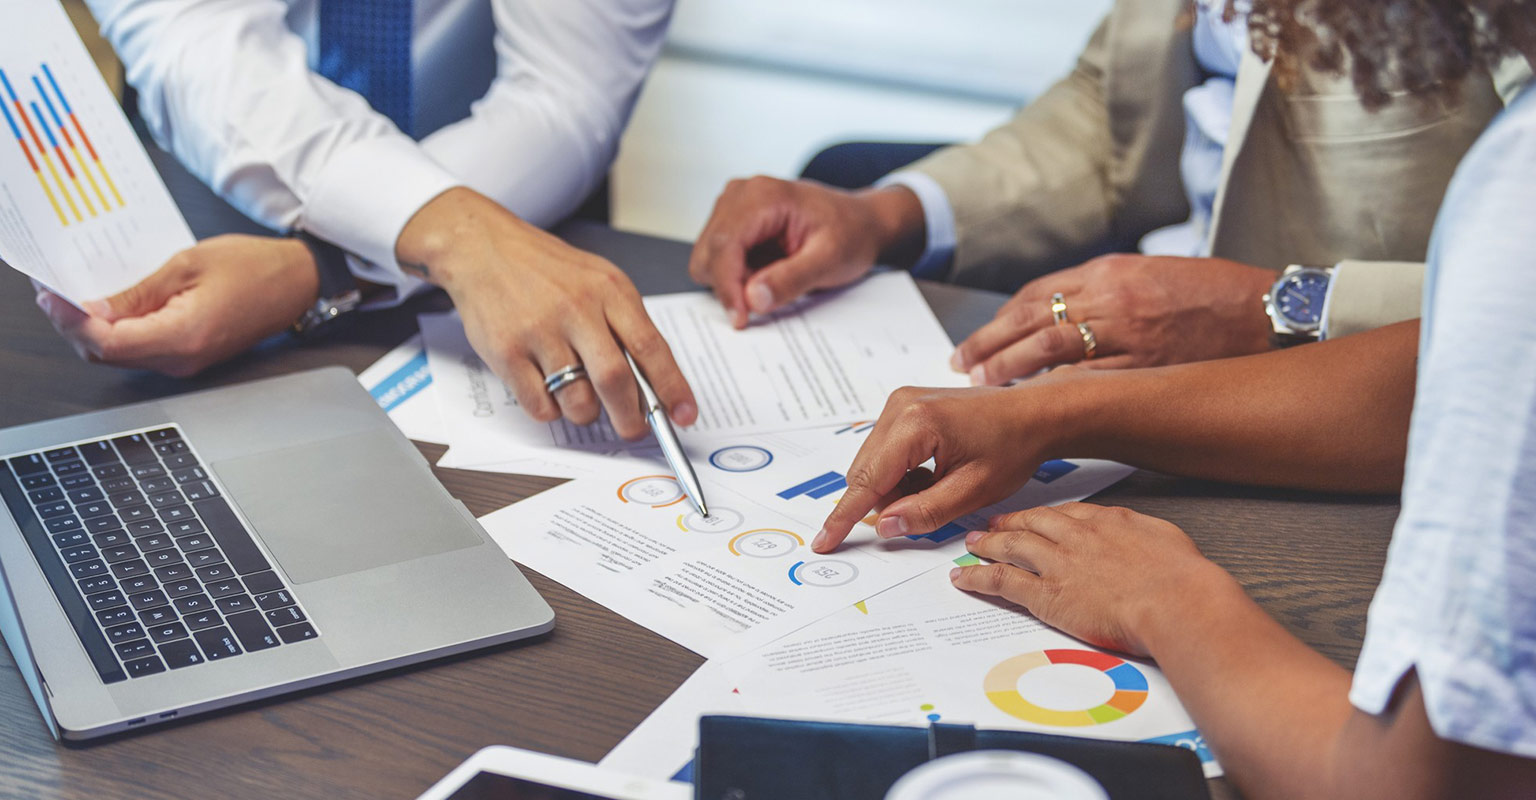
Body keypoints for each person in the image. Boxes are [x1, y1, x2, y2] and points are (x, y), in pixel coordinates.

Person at [816, 1, 1536, 795]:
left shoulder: (1514, 193)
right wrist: (1057, 412)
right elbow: (1425, 370)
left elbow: (1406, 783)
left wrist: (1166, 599)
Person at [690, 0, 1524, 386]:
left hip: (1351, 408)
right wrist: (887, 214)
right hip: (1134, 364)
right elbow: (1112, 105)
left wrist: (1278, 307)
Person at [33, 0, 696, 442]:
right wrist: (453, 232)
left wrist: (318, 271)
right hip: (215, 190)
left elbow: (565, 92)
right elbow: (190, 39)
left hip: (520, 201)